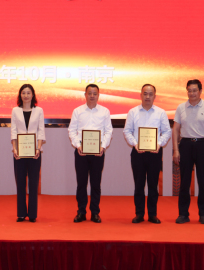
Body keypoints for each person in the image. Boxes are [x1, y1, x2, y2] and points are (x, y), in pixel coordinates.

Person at [123, 84, 171, 224]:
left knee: (153, 185)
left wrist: (159, 144)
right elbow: (127, 131)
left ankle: (152, 214)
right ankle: (139, 213)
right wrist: (135, 144)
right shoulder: (133, 112)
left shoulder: (161, 113)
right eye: (145, 93)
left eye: (150, 94)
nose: (148, 96)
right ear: (141, 95)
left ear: (155, 96)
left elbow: (167, 131)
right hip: (138, 153)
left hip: (155, 153)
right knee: (139, 185)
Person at [172, 79, 204, 224]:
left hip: (203, 145)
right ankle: (183, 214)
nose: (192, 93)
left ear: (200, 91)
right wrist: (176, 150)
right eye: (189, 91)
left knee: (203, 182)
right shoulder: (181, 107)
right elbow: (176, 129)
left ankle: (203, 214)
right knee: (184, 182)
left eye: (194, 90)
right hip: (185, 144)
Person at [67, 83, 113, 223]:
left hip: (98, 153)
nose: (92, 96)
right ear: (85, 95)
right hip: (81, 152)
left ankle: (95, 212)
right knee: (81, 183)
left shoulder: (105, 111)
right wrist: (78, 145)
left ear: (98, 95)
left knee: (95, 183)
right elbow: (71, 130)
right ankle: (81, 212)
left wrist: (102, 146)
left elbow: (109, 131)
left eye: (95, 93)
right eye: (89, 93)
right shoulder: (77, 111)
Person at [10, 84, 46, 222]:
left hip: (34, 152)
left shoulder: (39, 111)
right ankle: (21, 213)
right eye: (23, 93)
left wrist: (38, 148)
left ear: (33, 95)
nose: (26, 95)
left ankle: (32, 214)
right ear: (20, 95)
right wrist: (14, 149)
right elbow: (13, 130)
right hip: (19, 152)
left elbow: (41, 131)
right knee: (20, 183)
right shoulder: (15, 110)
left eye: (28, 93)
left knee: (33, 183)